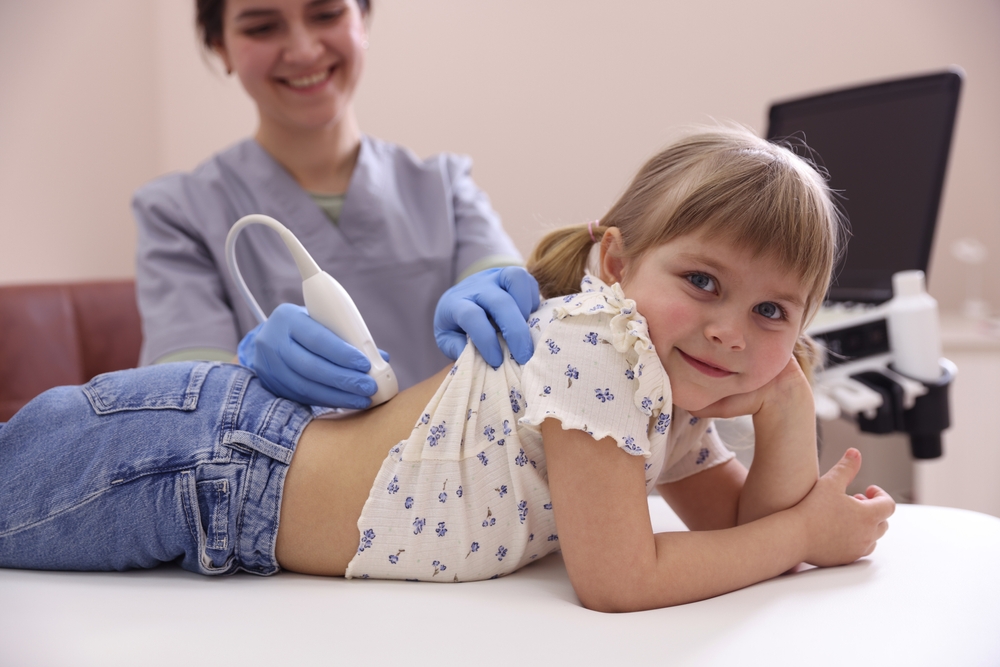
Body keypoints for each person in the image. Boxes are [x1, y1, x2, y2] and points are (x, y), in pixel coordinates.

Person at [1, 127, 895, 612]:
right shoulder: (603, 344)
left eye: (772, 311)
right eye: (702, 280)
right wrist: (802, 537)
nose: (731, 331)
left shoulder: (671, 393)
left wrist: (785, 404)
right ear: (615, 264)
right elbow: (622, 580)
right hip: (210, 456)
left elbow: (741, 525)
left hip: (233, 486)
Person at [133, 0, 538, 409]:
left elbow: (512, 296)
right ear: (221, 46)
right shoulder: (178, 214)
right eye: (262, 27)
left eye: (326, 15)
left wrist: (505, 293)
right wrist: (244, 367)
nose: (305, 50)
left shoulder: (444, 187)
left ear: (362, 19)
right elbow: (182, 410)